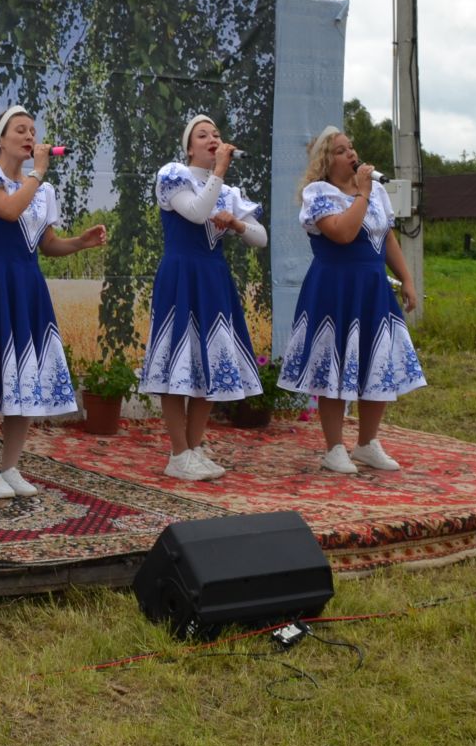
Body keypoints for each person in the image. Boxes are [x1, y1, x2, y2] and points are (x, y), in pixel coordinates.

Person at [0, 107, 108, 498]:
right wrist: (38, 172)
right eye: (20, 129)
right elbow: (9, 211)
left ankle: (11, 467)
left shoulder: (42, 191)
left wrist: (79, 242)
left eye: (33, 130)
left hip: (29, 286)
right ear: (0, 138)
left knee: (24, 379)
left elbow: (46, 244)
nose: (30, 136)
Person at [277, 126, 425, 473]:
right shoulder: (319, 193)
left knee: (378, 362)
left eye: (351, 147)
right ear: (326, 161)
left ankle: (367, 443)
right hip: (335, 289)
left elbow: (386, 236)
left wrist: (406, 279)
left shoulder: (373, 193)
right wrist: (361, 193)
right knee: (334, 365)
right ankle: (334, 447)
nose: (352, 154)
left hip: (372, 288)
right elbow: (342, 233)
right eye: (342, 150)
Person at [140, 115, 268, 481]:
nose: (212, 138)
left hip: (213, 279)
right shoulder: (172, 174)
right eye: (203, 134)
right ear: (189, 147)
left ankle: (193, 449)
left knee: (209, 358)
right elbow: (196, 213)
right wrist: (220, 172)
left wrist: (239, 225)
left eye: (216, 133)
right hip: (181, 274)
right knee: (174, 360)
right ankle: (177, 452)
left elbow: (261, 237)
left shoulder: (227, 192)